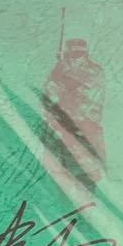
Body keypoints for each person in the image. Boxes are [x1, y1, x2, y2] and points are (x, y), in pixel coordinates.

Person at [41, 37, 106, 196]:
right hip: (62, 123)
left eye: (78, 52)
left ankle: (86, 196)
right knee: (57, 162)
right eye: (71, 52)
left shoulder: (95, 70)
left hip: (84, 124)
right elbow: (49, 89)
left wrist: (64, 73)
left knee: (86, 165)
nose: (74, 55)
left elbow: (87, 94)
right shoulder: (61, 67)